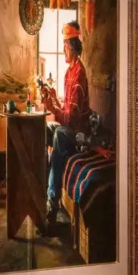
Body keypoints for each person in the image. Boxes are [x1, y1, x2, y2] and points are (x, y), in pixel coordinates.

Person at [38, 33, 91, 224]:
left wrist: (52, 108)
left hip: (79, 134)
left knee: (59, 133)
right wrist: (55, 99)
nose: (63, 50)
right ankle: (41, 187)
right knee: (45, 128)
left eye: (66, 47)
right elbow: (67, 111)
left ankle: (52, 201)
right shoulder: (69, 73)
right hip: (70, 128)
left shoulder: (79, 75)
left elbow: (71, 119)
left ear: (73, 49)